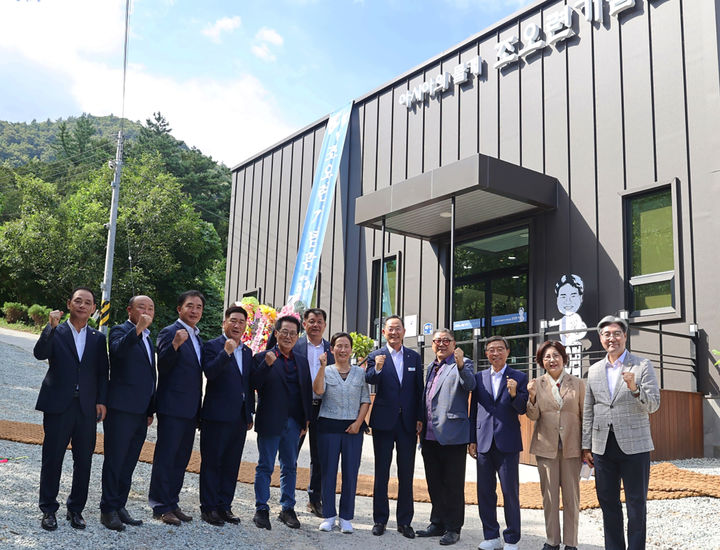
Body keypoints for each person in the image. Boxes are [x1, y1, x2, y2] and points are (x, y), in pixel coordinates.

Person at [33, 287, 109, 531]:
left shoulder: (98, 338)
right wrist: (50, 328)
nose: (83, 306)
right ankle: (48, 509)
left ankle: (75, 509)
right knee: (52, 458)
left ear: (94, 309)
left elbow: (102, 373)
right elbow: (39, 353)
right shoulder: (58, 330)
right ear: (69, 304)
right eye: (78, 301)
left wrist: (101, 400)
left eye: (88, 302)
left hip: (86, 406)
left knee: (83, 460)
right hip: (58, 405)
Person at [582, 315, 660, 550]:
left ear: (625, 336)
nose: (611, 338)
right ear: (600, 338)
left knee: (636, 504)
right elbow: (588, 409)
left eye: (617, 333)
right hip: (602, 445)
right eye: (606, 334)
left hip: (635, 445)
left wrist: (635, 389)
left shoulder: (642, 365)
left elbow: (653, 405)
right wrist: (586, 446)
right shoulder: (594, 370)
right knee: (607, 503)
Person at [148, 290, 205, 525]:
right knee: (167, 456)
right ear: (179, 309)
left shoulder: (197, 337)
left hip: (190, 408)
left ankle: (172, 501)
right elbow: (163, 364)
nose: (194, 311)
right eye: (190, 306)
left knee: (181, 458)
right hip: (172, 407)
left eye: (199, 307)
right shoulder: (170, 332)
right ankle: (160, 505)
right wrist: (174, 345)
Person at [100, 295, 157, 531]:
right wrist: (137, 330)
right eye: (141, 307)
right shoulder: (119, 330)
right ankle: (107, 509)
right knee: (115, 459)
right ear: (130, 310)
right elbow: (117, 352)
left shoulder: (147, 337)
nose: (146, 311)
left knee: (130, 460)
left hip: (141, 411)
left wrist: (150, 408)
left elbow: (150, 375)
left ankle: (120, 504)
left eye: (151, 308)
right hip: (121, 408)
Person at [251, 315, 313, 530]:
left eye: (293, 333)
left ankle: (287, 508)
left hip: (294, 422)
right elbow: (253, 384)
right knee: (265, 466)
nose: (288, 336)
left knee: (290, 467)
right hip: (270, 420)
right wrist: (267, 366)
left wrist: (306, 420)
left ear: (297, 337)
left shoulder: (302, 361)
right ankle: (261, 508)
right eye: (284, 332)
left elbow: (305, 391)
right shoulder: (262, 357)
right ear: (276, 333)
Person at [365, 314, 424, 538]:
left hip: (408, 423)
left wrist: (420, 417)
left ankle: (404, 521)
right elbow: (369, 378)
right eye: (390, 329)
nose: (394, 332)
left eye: (397, 328)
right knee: (381, 472)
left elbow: (419, 389)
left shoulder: (413, 358)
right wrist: (377, 369)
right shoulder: (375, 355)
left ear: (403, 332)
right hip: (383, 422)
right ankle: (380, 520)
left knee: (406, 473)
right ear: (384, 332)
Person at [416, 329, 476, 546]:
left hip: (453, 434)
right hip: (429, 435)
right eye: (437, 341)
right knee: (434, 483)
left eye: (445, 341)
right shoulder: (431, 366)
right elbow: (427, 397)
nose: (440, 344)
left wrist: (459, 365)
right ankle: (437, 522)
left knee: (452, 484)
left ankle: (453, 527)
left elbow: (470, 385)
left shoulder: (463, 363)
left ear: (454, 343)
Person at [469, 335, 529, 550]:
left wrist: (514, 394)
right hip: (484, 441)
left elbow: (522, 409)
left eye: (500, 349)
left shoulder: (519, 377)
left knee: (509, 491)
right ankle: (491, 535)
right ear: (486, 354)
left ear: (507, 352)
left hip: (508, 441)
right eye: (491, 350)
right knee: (485, 491)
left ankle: (512, 538)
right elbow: (474, 410)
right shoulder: (479, 377)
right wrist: (472, 439)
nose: (496, 353)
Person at [199, 305, 255, 526]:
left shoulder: (248, 352)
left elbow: (247, 385)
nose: (237, 325)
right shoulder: (212, 346)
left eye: (241, 322)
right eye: (233, 320)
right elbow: (210, 373)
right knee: (212, 462)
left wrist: (249, 413)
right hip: (216, 415)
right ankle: (209, 507)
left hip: (239, 418)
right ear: (224, 323)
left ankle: (224, 506)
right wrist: (226, 353)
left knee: (232, 464)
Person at [526, 340, 585, 550]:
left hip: (571, 447)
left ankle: (571, 542)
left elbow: (585, 416)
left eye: (556, 355)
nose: (552, 360)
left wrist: (586, 448)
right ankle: (552, 541)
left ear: (564, 358)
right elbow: (533, 416)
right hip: (546, 448)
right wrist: (531, 397)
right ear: (542, 362)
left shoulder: (577, 383)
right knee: (549, 498)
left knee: (572, 497)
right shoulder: (536, 383)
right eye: (547, 357)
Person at [313, 332, 371, 534]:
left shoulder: (360, 373)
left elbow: (365, 399)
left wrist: (358, 423)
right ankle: (329, 515)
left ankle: (346, 517)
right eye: (339, 346)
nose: (343, 350)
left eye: (346, 346)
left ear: (351, 349)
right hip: (328, 428)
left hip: (353, 429)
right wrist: (321, 367)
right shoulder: (326, 370)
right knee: (328, 472)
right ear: (332, 349)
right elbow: (318, 391)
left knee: (350, 473)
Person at [294, 308, 335, 517]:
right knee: (291, 453)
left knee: (319, 457)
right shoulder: (295, 344)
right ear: (304, 324)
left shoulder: (332, 350)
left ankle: (314, 499)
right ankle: (287, 500)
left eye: (320, 321)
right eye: (311, 321)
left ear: (325, 325)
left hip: (323, 407)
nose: (316, 325)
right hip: (298, 407)